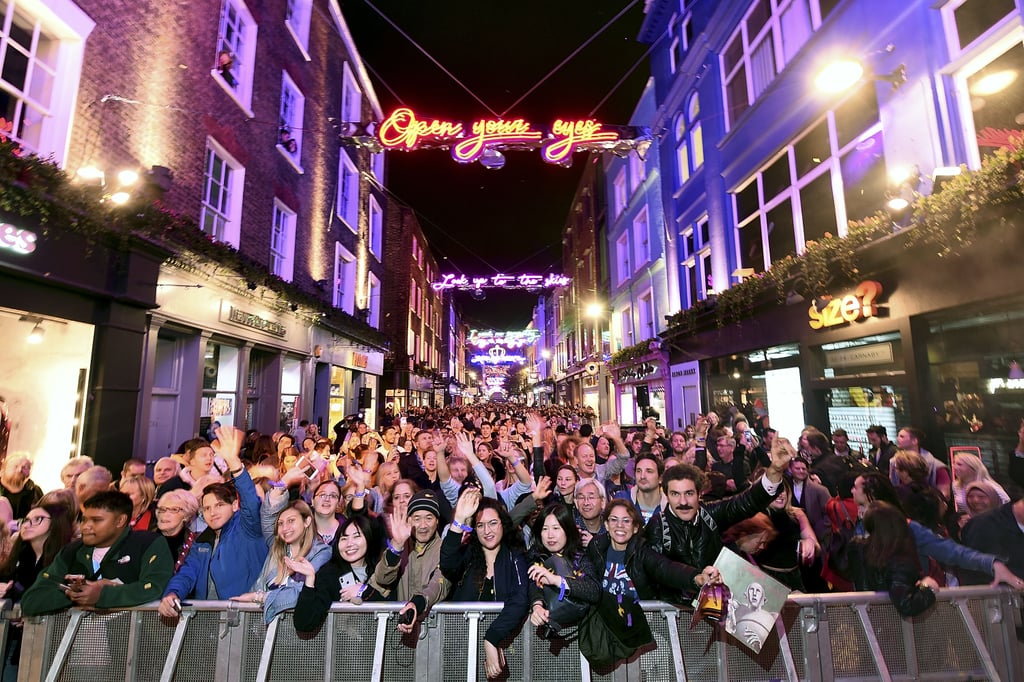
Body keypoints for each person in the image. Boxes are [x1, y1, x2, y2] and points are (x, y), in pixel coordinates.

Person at [644, 436, 794, 600]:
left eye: (689, 493)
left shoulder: (709, 514)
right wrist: (696, 578)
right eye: (675, 494)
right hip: (674, 613)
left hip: (713, 609)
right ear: (665, 494)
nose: (683, 502)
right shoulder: (658, 525)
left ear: (699, 494)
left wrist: (774, 470)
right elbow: (660, 567)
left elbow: (746, 502)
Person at [586, 499, 720, 668]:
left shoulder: (642, 550)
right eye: (614, 519)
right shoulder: (597, 546)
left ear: (635, 528)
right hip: (607, 628)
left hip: (639, 628)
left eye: (626, 521)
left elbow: (665, 568)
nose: (619, 525)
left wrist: (696, 577)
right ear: (606, 524)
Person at [159, 427, 269, 618]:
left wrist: (234, 463)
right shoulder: (202, 540)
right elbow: (187, 573)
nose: (212, 512)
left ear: (235, 505)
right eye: (207, 508)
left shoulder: (247, 529)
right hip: (208, 623)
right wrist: (172, 594)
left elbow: (251, 501)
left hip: (245, 619)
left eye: (219, 505)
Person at [21, 490, 173, 614]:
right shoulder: (71, 551)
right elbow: (31, 600)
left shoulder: (148, 543)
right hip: (72, 645)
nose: (86, 526)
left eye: (96, 520)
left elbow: (155, 587)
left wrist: (103, 595)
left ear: (120, 521)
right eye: (84, 520)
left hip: (129, 644)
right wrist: (76, 594)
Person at [440, 487, 529, 679]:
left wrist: (492, 638)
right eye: (480, 525)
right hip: (461, 649)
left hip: (504, 648)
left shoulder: (515, 556)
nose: (487, 531)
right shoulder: (467, 555)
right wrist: (459, 521)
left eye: (493, 523)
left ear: (503, 525)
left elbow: (520, 599)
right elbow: (447, 565)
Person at [0, 501, 75, 680]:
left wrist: (30, 611)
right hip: (14, 640)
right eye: (26, 520)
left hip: (50, 641)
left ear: (56, 523)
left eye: (37, 519)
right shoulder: (20, 556)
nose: (27, 524)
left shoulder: (66, 558)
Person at [231, 497, 331, 623]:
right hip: (264, 629)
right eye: (281, 523)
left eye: (291, 521)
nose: (285, 528)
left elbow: (301, 593)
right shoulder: (277, 552)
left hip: (299, 632)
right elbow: (259, 585)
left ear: (307, 521)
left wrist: (261, 597)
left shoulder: (322, 553)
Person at [371, 489, 451, 635]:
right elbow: (382, 579)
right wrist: (396, 547)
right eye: (416, 518)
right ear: (408, 520)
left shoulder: (445, 550)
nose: (423, 525)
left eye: (429, 518)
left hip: (434, 634)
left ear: (437, 521)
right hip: (399, 633)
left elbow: (439, 585)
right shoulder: (400, 547)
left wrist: (417, 604)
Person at [292, 514, 386, 636]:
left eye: (356, 536)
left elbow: (392, 605)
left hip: (378, 648)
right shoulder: (329, 574)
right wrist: (310, 579)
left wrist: (364, 591)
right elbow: (304, 623)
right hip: (341, 650)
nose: (349, 543)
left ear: (369, 538)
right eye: (344, 538)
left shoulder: (380, 570)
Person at [847, 502, 938, 617]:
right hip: (892, 627)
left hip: (867, 621)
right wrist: (927, 589)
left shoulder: (859, 549)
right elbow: (906, 604)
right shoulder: (897, 561)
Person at [527, 502, 602, 637]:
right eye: (545, 529)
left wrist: (557, 581)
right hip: (540, 639)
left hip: (578, 636)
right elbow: (533, 584)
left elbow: (594, 591)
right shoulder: (534, 557)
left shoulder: (580, 558)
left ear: (568, 530)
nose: (550, 535)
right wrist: (537, 605)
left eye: (556, 528)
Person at [154, 489, 199, 574]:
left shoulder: (195, 543)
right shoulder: (147, 540)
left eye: (174, 510)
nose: (165, 514)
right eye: (162, 509)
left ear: (186, 515)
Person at [0, 455, 42, 520]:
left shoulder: (35, 492)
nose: (20, 470)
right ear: (2, 470)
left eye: (25, 467)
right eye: (15, 466)